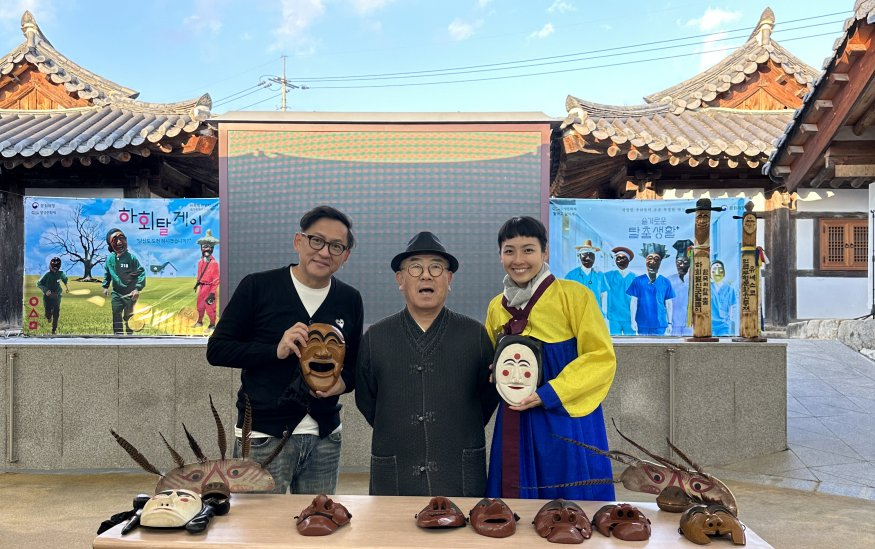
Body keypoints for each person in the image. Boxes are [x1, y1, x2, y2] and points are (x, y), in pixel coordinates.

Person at [206, 205, 364, 495]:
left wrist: (342, 383)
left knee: (319, 525)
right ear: (298, 241)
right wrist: (274, 350)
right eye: (317, 240)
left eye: (336, 246)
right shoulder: (258, 286)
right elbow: (217, 350)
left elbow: (355, 365)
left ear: (345, 255)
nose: (324, 251)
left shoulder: (350, 299)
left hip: (325, 436)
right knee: (261, 531)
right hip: (263, 437)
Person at [356, 231, 497, 497]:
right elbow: (367, 400)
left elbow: (487, 398)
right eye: (415, 267)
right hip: (396, 470)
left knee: (463, 535)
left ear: (449, 279)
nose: (426, 275)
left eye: (436, 267)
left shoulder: (475, 335)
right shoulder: (375, 337)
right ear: (400, 279)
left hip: (458, 471)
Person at [485, 216, 616, 501]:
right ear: (500, 256)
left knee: (570, 507)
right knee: (515, 504)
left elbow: (600, 357)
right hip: (516, 418)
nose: (518, 259)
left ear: (545, 252)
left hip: (565, 416)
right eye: (509, 251)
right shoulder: (497, 307)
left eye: (528, 249)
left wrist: (551, 392)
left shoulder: (575, 296)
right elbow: (490, 357)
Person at [102, 228, 146, 335]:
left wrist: (137, 289)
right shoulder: (109, 259)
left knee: (129, 316)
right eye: (115, 239)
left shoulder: (131, 258)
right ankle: (118, 337)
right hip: (116, 293)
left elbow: (141, 272)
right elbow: (107, 273)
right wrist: (105, 286)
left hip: (130, 293)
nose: (119, 242)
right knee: (116, 314)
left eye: (122, 238)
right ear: (110, 244)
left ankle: (129, 338)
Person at [627, 243, 674, 336]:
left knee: (658, 349)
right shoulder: (638, 281)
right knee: (643, 348)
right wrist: (633, 321)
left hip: (659, 324)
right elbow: (633, 302)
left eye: (656, 259)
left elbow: (668, 304)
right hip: (642, 323)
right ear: (645, 261)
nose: (652, 261)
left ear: (660, 262)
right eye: (649, 258)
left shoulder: (665, 282)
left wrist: (669, 323)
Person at [564, 240, 607, 316]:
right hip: (577, 315)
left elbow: (603, 295)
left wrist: (603, 312)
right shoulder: (571, 276)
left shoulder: (600, 275)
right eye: (584, 255)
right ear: (579, 257)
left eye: (591, 255)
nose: (588, 258)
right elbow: (565, 297)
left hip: (596, 315)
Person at [603, 246, 636, 335]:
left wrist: (634, 319)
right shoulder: (608, 276)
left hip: (629, 317)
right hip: (614, 316)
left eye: (623, 258)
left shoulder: (634, 278)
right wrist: (595, 270)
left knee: (630, 344)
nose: (621, 261)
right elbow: (597, 277)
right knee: (616, 344)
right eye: (618, 258)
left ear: (628, 261)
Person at [193, 230, 220, 330]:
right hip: (202, 287)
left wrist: (212, 293)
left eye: (208, 246)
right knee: (200, 306)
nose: (206, 249)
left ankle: (212, 324)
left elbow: (216, 279)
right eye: (204, 247)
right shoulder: (200, 262)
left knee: (210, 306)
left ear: (212, 248)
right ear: (201, 248)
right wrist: (197, 283)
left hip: (210, 288)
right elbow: (199, 275)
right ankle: (199, 321)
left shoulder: (214, 263)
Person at [667, 239, 694, 336]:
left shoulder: (694, 281)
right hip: (672, 323)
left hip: (690, 324)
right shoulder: (668, 281)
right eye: (678, 262)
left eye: (685, 262)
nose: (681, 265)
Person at [37, 256, 69, 334]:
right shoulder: (47, 274)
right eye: (53, 267)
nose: (55, 269)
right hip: (47, 296)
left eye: (56, 267)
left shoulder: (60, 273)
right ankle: (48, 316)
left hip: (57, 296)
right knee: (48, 312)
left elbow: (65, 278)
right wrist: (45, 290)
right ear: (50, 266)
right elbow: (39, 283)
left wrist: (66, 286)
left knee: (56, 312)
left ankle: (53, 329)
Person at [710, 260, 738, 336]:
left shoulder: (729, 289)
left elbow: (733, 307)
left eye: (720, 270)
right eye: (714, 271)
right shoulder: (707, 288)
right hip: (710, 324)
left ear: (724, 273)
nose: (717, 273)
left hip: (724, 325)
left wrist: (732, 323)